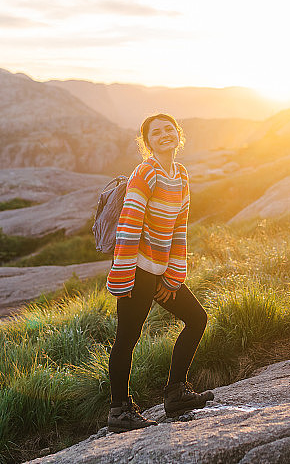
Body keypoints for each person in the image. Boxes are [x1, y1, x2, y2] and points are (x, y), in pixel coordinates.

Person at [106, 113, 213, 433]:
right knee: (128, 336)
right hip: (136, 268)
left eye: (169, 129)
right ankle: (119, 411)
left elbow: (180, 229)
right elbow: (128, 223)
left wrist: (173, 276)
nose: (164, 134)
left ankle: (176, 393)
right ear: (147, 142)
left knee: (197, 319)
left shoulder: (180, 175)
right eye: (156, 132)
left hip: (158, 272)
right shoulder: (146, 172)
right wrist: (123, 275)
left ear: (178, 134)